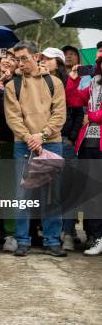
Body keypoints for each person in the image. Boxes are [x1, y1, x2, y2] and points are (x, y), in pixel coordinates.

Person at [4, 41, 67, 257]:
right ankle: (22, 240)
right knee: (23, 195)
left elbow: (59, 113)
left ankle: (52, 241)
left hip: (51, 142)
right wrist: (29, 137)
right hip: (24, 144)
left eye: (24, 58)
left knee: (51, 194)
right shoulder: (13, 85)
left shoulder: (54, 82)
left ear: (36, 56)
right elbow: (13, 117)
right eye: (17, 59)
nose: (20, 63)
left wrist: (43, 135)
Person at [39, 48, 83, 251]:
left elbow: (75, 112)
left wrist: (72, 138)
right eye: (43, 58)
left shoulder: (68, 83)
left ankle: (68, 232)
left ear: (57, 62)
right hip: (42, 140)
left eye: (49, 59)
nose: (45, 61)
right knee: (48, 190)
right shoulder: (37, 81)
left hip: (64, 142)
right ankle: (51, 234)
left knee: (67, 190)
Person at [66, 48, 102, 256]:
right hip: (88, 145)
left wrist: (93, 114)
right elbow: (73, 100)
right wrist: (72, 80)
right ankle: (97, 237)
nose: (97, 64)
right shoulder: (92, 85)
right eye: (96, 60)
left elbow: (95, 116)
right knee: (93, 194)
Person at [0, 53, 19, 252]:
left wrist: (1, 90)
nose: (6, 61)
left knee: (8, 190)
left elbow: (7, 114)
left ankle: (10, 233)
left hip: (10, 143)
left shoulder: (19, 85)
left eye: (11, 59)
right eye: (3, 59)